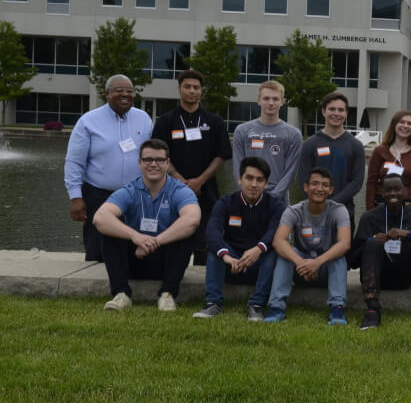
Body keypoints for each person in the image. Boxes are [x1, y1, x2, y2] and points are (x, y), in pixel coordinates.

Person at [92, 139, 200, 311]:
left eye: (159, 160)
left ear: (167, 163)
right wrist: (136, 237)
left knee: (186, 235)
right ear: (140, 163)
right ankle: (121, 295)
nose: (154, 164)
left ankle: (167, 295)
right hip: (135, 257)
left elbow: (192, 220)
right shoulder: (130, 190)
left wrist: (155, 242)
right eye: (148, 160)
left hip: (165, 260)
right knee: (109, 232)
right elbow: (100, 217)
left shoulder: (180, 190)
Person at [65, 74, 153, 262]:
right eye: (119, 91)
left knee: (133, 247)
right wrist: (75, 197)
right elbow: (74, 162)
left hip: (135, 195)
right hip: (99, 195)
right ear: (107, 94)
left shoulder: (143, 118)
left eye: (129, 91)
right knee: (97, 250)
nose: (125, 95)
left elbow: (152, 157)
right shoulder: (88, 121)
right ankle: (93, 286)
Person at [152, 70, 232, 266]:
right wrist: (179, 178)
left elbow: (222, 155)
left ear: (201, 91)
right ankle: (170, 277)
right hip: (170, 189)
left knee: (204, 239)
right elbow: (158, 155)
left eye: (196, 88)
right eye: (187, 87)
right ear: (179, 89)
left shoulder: (214, 122)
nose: (191, 91)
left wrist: (199, 181)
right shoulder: (165, 121)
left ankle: (201, 281)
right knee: (172, 236)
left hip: (206, 191)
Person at [193, 157, 285, 321]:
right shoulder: (225, 203)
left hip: (259, 264)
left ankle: (257, 305)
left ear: (266, 183)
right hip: (232, 264)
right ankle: (212, 303)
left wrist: (258, 249)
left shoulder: (275, 205)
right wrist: (227, 257)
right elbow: (212, 231)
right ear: (240, 179)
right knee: (215, 251)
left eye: (259, 180)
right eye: (249, 178)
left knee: (274, 253)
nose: (254, 184)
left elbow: (275, 232)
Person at [264, 167, 352, 325]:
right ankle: (276, 308)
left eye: (325, 185)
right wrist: (300, 262)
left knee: (339, 257)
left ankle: (337, 309)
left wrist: (317, 262)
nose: (319, 189)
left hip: (325, 269)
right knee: (286, 254)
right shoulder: (293, 210)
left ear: (331, 190)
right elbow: (278, 241)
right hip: (301, 269)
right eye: (315, 184)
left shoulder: (339, 210)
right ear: (305, 187)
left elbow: (345, 243)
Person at [352, 174, 411, 329]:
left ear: (405, 192)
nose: (393, 193)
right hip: (377, 275)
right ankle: (373, 310)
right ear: (382, 193)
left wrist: (409, 235)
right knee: (372, 243)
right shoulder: (370, 218)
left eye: (397, 189)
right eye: (388, 190)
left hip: (405, 276)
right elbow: (352, 260)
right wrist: (371, 240)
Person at [299, 92, 365, 226]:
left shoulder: (356, 145)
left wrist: (332, 204)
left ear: (346, 113)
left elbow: (357, 182)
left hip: (344, 212)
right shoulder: (310, 144)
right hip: (314, 211)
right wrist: (319, 202)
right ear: (323, 111)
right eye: (332, 109)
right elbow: (303, 178)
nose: (336, 113)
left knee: (343, 247)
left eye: (341, 110)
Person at [232, 80, 301, 202]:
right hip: (248, 197)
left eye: (275, 99)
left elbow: (291, 172)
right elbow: (238, 166)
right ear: (259, 100)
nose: (271, 103)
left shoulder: (293, 135)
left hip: (278, 201)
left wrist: (272, 197)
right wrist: (247, 192)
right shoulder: (242, 131)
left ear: (282, 102)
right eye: (266, 98)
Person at [366, 109, 411, 212]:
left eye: (410, 123)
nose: (405, 126)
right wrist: (370, 213)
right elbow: (371, 184)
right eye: (402, 122)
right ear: (394, 125)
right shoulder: (379, 151)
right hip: (381, 206)